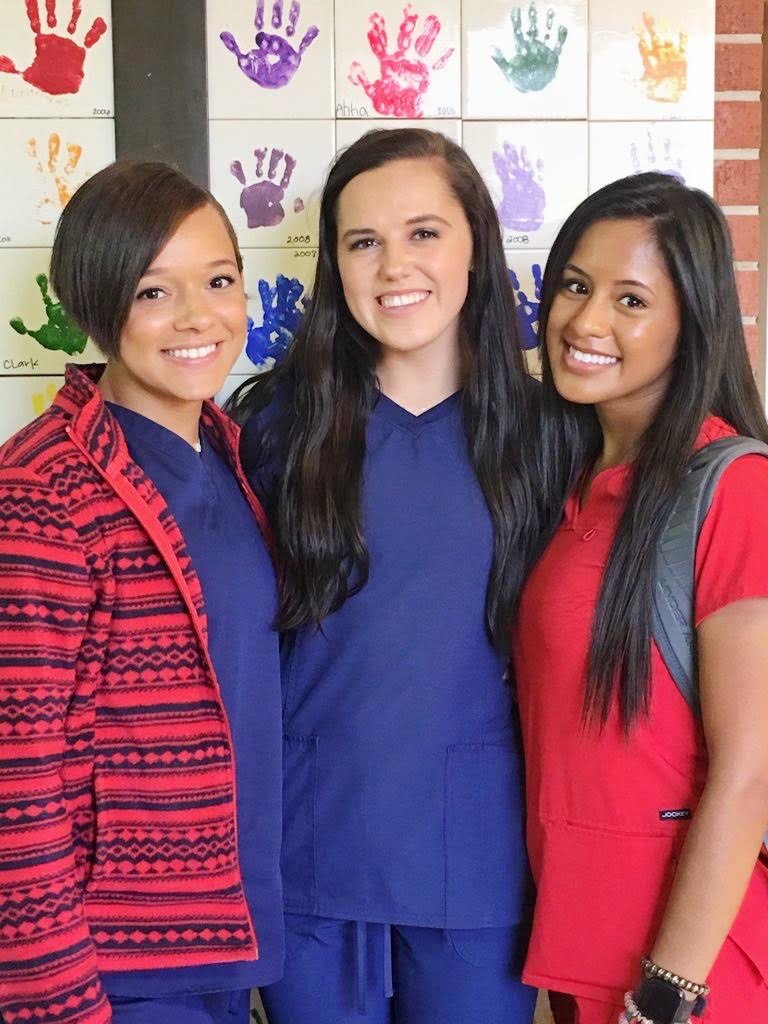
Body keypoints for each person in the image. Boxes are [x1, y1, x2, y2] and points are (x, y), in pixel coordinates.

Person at [231, 127, 546, 1023]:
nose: (393, 265)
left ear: (476, 246)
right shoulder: (274, 432)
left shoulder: (548, 436)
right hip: (311, 853)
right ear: (334, 265)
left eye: (423, 233)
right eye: (363, 241)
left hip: (480, 869)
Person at [0, 162, 284, 1024]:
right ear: (97, 306)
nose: (200, 317)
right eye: (155, 291)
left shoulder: (235, 456)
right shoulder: (41, 492)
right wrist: (56, 996)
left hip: (229, 936)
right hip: (116, 966)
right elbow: (16, 774)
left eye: (220, 280)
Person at [513, 171, 768, 1024]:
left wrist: (669, 995)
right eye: (576, 286)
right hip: (583, 947)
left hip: (685, 972)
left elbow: (752, 770)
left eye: (630, 300)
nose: (586, 322)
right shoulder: (580, 489)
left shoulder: (733, 490)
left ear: (689, 325)